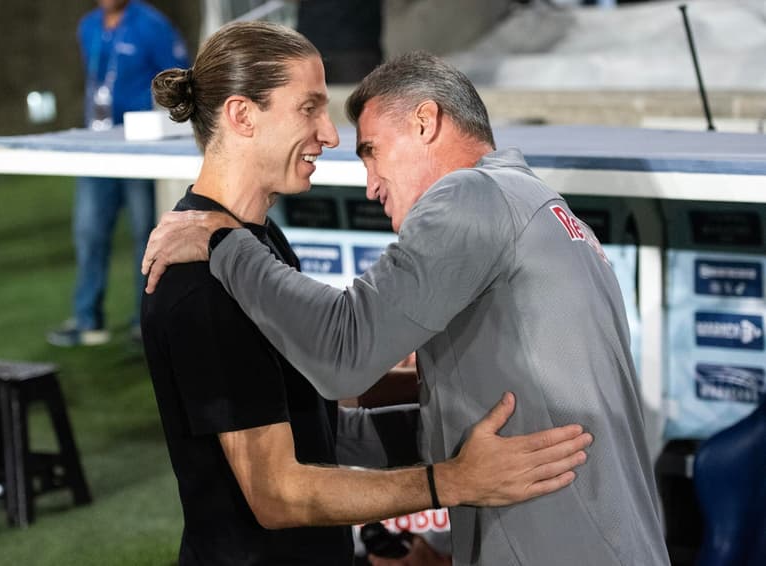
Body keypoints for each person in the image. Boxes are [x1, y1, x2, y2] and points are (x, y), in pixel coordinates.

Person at [142, 51, 670, 565]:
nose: (369, 183)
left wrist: (223, 243)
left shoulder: (471, 197)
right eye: (311, 108)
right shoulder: (535, 205)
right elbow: (466, 421)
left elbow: (344, 353)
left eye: (370, 150)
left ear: (424, 122)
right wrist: (412, 459)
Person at [47, 0, 188, 347]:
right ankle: (88, 320)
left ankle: (146, 323)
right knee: (89, 232)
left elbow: (180, 79)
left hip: (139, 150)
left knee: (145, 234)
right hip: (98, 149)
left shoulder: (152, 25)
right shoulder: (88, 27)